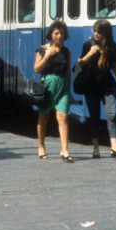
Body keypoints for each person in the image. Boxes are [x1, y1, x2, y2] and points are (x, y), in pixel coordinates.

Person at [76, 19, 116, 158]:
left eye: (99, 32)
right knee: (94, 117)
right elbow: (82, 63)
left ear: (106, 33)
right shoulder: (88, 44)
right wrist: (91, 52)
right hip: (91, 85)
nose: (96, 34)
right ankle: (96, 149)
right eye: (94, 31)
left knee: (112, 114)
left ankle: (114, 147)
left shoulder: (114, 48)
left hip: (108, 85)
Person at [34, 20, 74, 162]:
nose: (59, 36)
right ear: (51, 34)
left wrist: (69, 92)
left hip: (62, 86)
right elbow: (37, 69)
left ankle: (64, 150)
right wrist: (47, 56)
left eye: (62, 33)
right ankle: (41, 145)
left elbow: (68, 71)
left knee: (63, 117)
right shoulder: (42, 49)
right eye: (56, 33)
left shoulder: (66, 51)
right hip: (47, 86)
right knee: (43, 118)